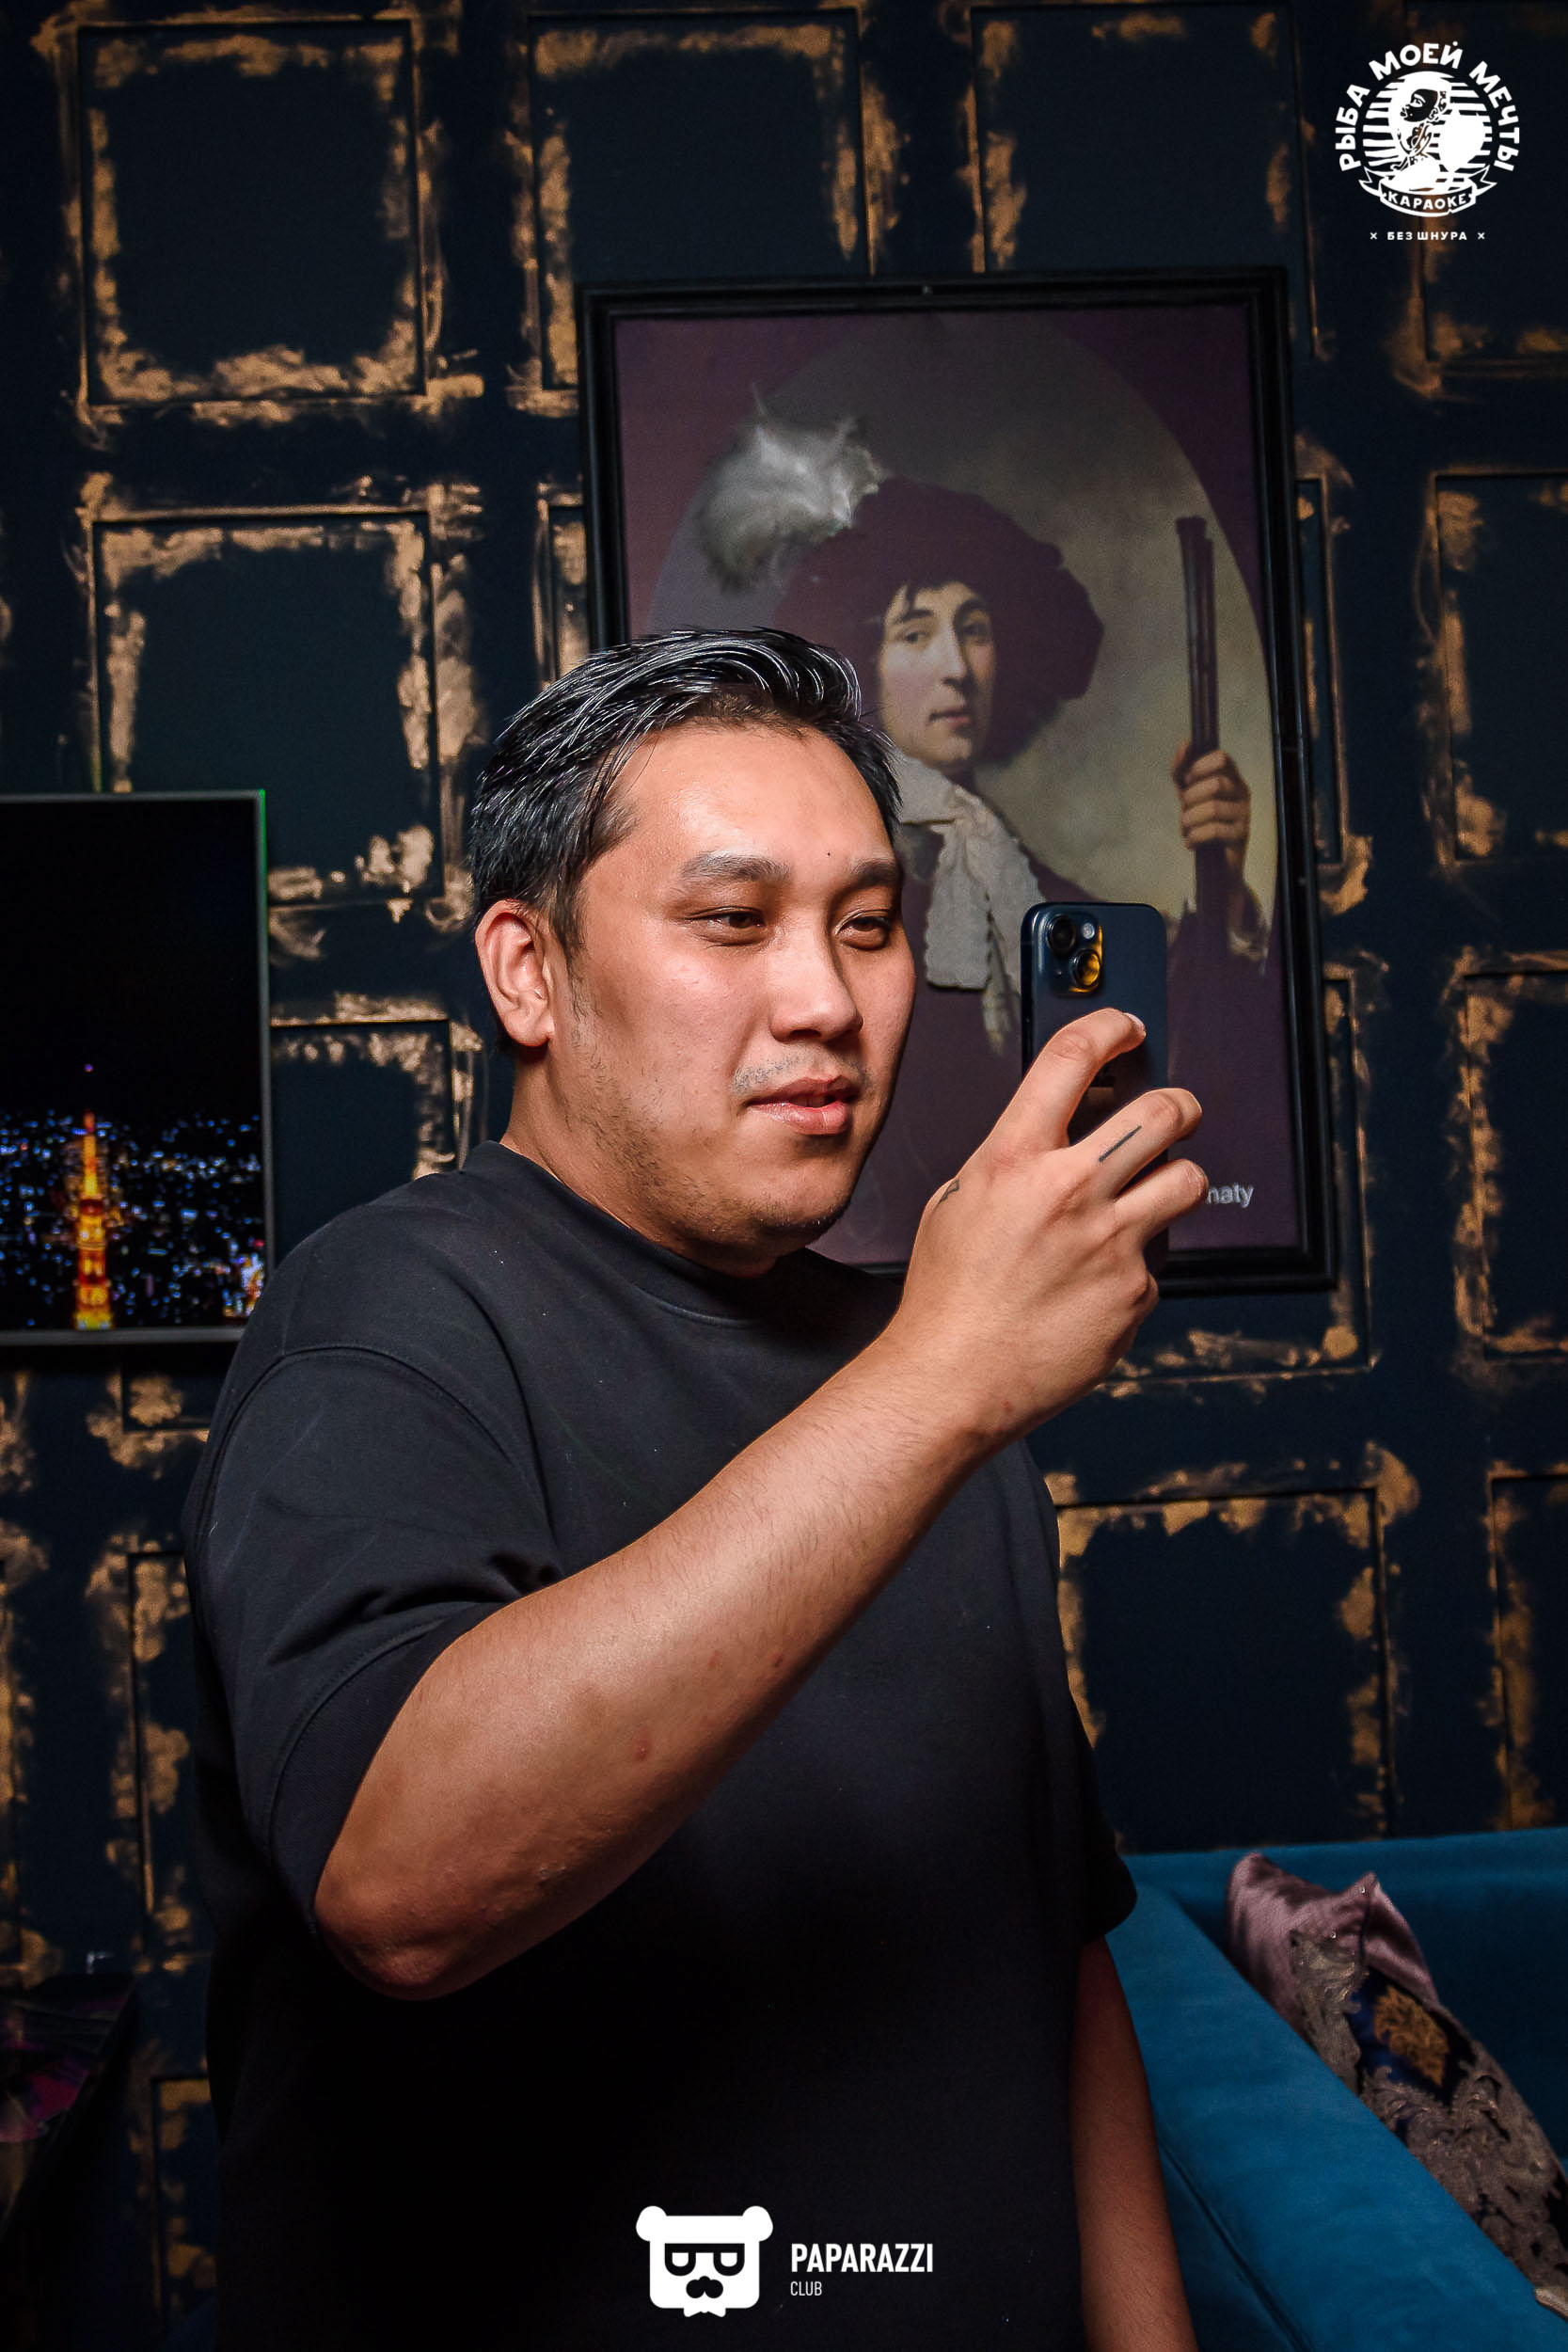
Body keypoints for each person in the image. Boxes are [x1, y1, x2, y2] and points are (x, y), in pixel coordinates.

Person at [183, 629, 1207, 2350]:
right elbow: (400, 1884)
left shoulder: (931, 1370)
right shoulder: (380, 1319)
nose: (824, 1002)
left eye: (866, 926)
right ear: (529, 972)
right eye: (733, 922)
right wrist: (937, 1381)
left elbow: (1045, 1941)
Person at [773, 479, 1296, 1262]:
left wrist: (1224, 895)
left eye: (974, 630)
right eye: (915, 634)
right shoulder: (822, 890)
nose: (956, 667)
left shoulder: (1027, 887)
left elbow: (1173, 1069)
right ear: (863, 661)